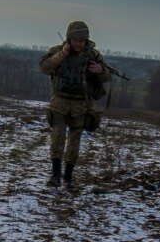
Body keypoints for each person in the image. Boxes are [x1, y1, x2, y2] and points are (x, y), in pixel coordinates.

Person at [37, 20, 109, 187]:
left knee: (74, 141)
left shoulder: (94, 56)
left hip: (81, 105)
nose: (78, 43)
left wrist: (100, 71)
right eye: (75, 40)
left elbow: (106, 78)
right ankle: (55, 175)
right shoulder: (57, 51)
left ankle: (68, 176)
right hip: (60, 101)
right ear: (69, 39)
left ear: (86, 40)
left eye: (81, 40)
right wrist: (62, 55)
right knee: (57, 138)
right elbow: (45, 67)